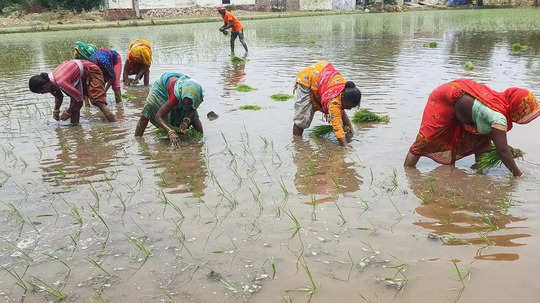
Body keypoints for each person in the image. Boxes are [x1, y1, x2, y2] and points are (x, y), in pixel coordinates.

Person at [404, 79, 540, 177]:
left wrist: (507, 149)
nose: (523, 114)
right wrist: (518, 174)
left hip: (461, 98)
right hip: (445, 97)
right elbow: (502, 150)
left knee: (482, 140)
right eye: (524, 110)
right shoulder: (498, 118)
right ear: (517, 107)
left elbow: (500, 144)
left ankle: (478, 172)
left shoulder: (499, 105)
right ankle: (407, 171)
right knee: (424, 140)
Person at [292, 61, 362, 147]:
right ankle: (297, 143)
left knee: (339, 110)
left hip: (319, 74)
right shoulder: (334, 102)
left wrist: (351, 132)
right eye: (349, 106)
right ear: (342, 97)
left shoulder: (347, 88)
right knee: (302, 119)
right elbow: (337, 128)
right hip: (306, 79)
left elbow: (341, 112)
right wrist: (345, 148)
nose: (350, 109)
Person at [28, 60, 116, 124]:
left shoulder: (60, 81)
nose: (43, 93)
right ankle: (75, 128)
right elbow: (59, 96)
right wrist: (56, 110)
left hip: (91, 70)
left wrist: (68, 112)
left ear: (44, 85)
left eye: (41, 92)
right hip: (78, 73)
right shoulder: (50, 82)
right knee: (73, 103)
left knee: (97, 101)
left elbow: (79, 100)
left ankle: (115, 125)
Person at [135, 73, 204, 148]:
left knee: (194, 118)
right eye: (185, 102)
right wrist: (170, 131)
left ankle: (200, 142)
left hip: (182, 87)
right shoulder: (175, 96)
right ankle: (137, 140)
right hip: (162, 89)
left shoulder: (197, 94)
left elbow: (193, 109)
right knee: (149, 108)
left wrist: (186, 121)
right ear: (182, 97)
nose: (186, 104)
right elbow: (158, 116)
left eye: (190, 102)